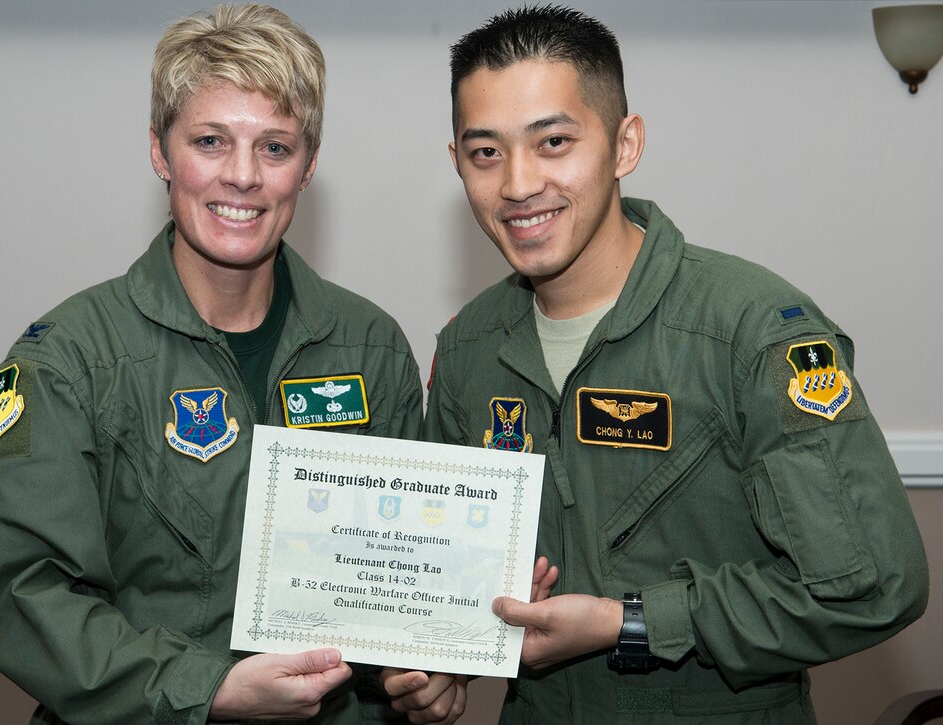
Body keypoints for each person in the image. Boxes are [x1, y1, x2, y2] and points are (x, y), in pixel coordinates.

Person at [386, 5, 929, 723]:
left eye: (553, 141)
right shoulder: (468, 347)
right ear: (457, 161)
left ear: (624, 144)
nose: (518, 184)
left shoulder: (751, 328)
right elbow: (456, 581)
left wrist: (628, 620)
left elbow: (873, 586)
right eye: (486, 153)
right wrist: (442, 668)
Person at [0, 5, 422, 723]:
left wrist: (428, 672)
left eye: (275, 147)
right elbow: (24, 600)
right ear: (160, 151)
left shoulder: (371, 348)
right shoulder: (65, 362)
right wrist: (211, 687)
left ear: (308, 165)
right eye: (210, 140)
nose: (242, 175)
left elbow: (399, 586)